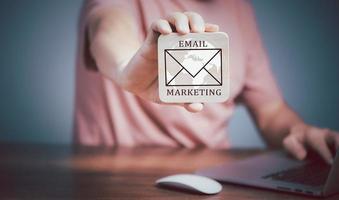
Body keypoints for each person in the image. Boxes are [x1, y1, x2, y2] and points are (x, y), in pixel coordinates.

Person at [74, 0, 339, 164]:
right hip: (115, 171)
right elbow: (106, 30)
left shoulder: (239, 9)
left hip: (211, 173)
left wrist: (299, 131)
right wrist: (124, 69)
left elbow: (270, 112)